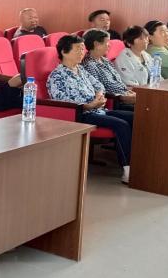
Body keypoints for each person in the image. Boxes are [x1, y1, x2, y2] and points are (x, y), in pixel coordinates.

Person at [47, 35, 133, 182]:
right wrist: (90, 105)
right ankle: (127, 170)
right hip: (81, 114)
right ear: (64, 52)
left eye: (83, 49)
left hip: (98, 109)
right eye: (77, 49)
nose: (82, 52)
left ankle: (137, 160)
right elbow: (63, 102)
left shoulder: (80, 69)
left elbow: (99, 85)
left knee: (134, 117)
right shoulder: (57, 76)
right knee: (121, 125)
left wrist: (99, 96)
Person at [80, 29, 135, 106]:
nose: (109, 45)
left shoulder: (105, 60)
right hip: (114, 102)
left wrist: (128, 92)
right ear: (96, 44)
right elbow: (97, 90)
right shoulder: (89, 65)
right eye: (107, 42)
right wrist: (121, 97)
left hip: (125, 96)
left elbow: (117, 82)